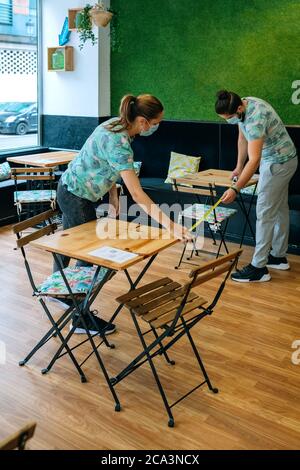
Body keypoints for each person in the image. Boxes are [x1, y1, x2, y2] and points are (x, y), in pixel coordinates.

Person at [55, 93, 192, 334]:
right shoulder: (120, 144)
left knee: (69, 244)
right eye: (156, 122)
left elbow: (102, 164)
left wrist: (113, 194)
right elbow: (138, 195)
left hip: (69, 188)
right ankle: (79, 317)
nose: (157, 127)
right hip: (78, 197)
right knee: (93, 258)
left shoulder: (113, 124)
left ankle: (60, 291)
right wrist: (171, 226)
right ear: (142, 121)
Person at [215, 90, 298, 283]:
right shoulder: (245, 104)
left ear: (238, 108)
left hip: (277, 163)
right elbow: (242, 137)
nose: (229, 121)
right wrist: (238, 166)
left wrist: (235, 189)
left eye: (229, 117)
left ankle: (259, 268)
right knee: (279, 209)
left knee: (264, 212)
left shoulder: (255, 119)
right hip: (285, 160)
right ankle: (278, 256)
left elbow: (254, 161)